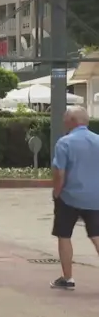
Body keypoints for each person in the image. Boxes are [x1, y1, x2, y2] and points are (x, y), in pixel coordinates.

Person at [50, 106, 99, 290]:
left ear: (72, 121)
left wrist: (57, 192)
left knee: (64, 235)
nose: (63, 122)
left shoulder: (65, 143)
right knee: (96, 235)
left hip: (69, 197)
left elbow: (60, 173)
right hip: (95, 197)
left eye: (65, 119)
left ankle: (67, 278)